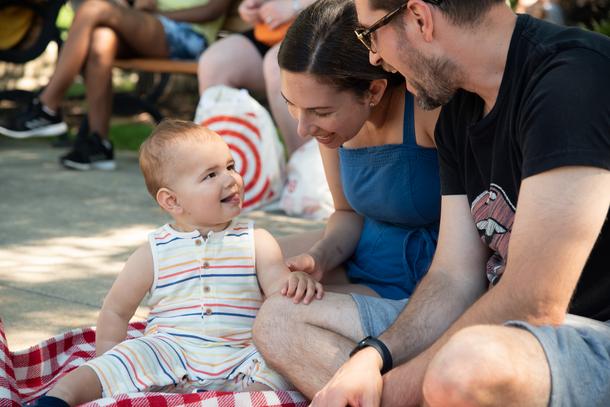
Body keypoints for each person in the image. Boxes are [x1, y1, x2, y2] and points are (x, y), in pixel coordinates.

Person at [307, 0, 610, 406]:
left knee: (462, 369)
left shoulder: (571, 81)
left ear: (419, 18)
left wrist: (394, 390)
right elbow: (454, 276)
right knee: (280, 322)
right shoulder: (460, 107)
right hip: (507, 333)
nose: (374, 56)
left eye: (370, 33)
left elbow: (534, 300)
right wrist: (374, 355)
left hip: (588, 334)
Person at [29, 119, 324, 407]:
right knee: (110, 365)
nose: (230, 179)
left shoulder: (256, 241)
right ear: (172, 201)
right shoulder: (153, 251)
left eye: (230, 167)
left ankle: (245, 398)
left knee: (280, 370)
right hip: (169, 350)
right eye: (211, 175)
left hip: (241, 352)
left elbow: (278, 291)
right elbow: (117, 310)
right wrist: (111, 361)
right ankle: (58, 399)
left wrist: (294, 282)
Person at [251, 0, 441, 396]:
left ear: (373, 90)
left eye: (319, 111)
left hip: (424, 288)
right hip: (366, 264)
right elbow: (345, 212)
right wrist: (320, 257)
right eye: (293, 106)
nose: (303, 128)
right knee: (243, 273)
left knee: (277, 320)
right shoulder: (334, 127)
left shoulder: (425, 111)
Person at [0, 0, 231, 171]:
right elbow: (141, 7)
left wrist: (158, 15)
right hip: (154, 29)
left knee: (93, 8)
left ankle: (48, 106)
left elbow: (213, 10)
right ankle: (99, 143)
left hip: (190, 37)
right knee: (102, 39)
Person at [197, 0, 315, 155]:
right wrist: (252, 8)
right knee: (214, 64)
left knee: (279, 63)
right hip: (272, 33)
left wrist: (295, 5)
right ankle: (224, 165)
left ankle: (304, 171)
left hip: (322, 26)